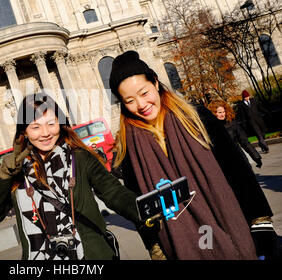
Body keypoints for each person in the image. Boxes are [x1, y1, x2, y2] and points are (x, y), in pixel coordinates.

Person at [109, 50, 276, 260]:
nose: (141, 105)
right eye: (129, 100)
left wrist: (260, 220)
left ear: (155, 83)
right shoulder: (128, 146)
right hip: (180, 244)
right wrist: (155, 247)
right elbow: (140, 205)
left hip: (230, 226)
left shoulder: (196, 117)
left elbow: (237, 168)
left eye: (144, 93)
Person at [0, 93, 141, 260]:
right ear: (24, 132)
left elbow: (114, 193)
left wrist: (144, 210)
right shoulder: (16, 170)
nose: (46, 133)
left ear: (60, 123)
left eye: (51, 123)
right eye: (35, 127)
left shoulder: (80, 157)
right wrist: (3, 175)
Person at [209, 100, 262, 168]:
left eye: (223, 112)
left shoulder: (232, 123)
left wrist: (256, 157)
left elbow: (244, 142)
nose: (222, 114)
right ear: (214, 113)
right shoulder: (210, 128)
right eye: (219, 112)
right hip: (223, 162)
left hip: (239, 157)